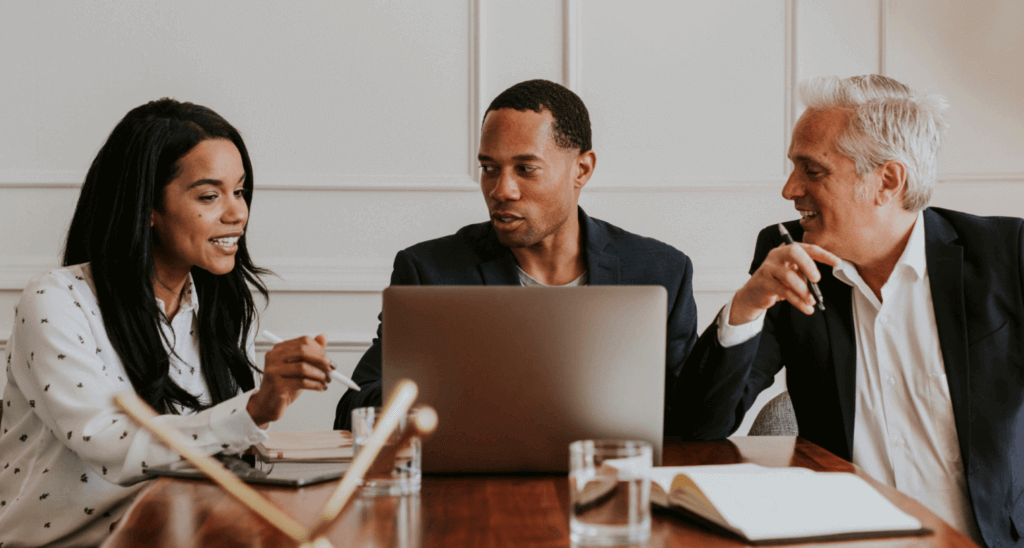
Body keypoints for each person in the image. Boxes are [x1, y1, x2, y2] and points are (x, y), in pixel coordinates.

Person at [676, 74, 1020, 546]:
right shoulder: (787, 257)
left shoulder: (1007, 256)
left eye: (812, 170)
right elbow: (697, 427)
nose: (789, 189)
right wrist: (747, 305)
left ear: (887, 181)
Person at [0, 99, 335, 547]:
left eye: (240, 191)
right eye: (209, 196)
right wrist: (254, 409)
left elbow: (220, 462)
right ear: (147, 208)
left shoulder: (226, 309)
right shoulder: (57, 300)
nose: (237, 212)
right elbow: (111, 445)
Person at [334, 79, 699, 434]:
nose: (501, 190)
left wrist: (732, 325)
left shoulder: (661, 270)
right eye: (489, 168)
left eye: (525, 169)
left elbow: (695, 422)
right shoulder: (428, 270)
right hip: (478, 474)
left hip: (607, 470)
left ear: (581, 169)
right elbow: (352, 410)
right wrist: (443, 394)